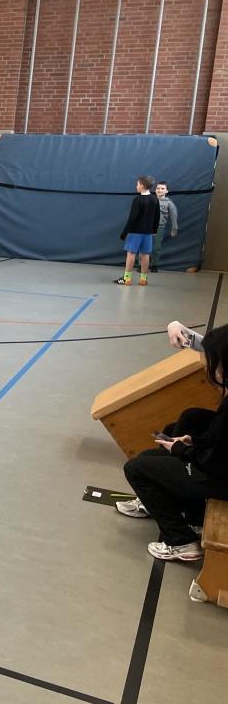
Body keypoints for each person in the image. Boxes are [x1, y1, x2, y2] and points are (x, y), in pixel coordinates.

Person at [115, 326, 228, 562]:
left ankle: (180, 541)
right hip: (219, 464)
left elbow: (214, 461)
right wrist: (191, 442)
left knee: (137, 468)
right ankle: (188, 511)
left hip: (221, 478)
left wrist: (183, 450)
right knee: (188, 419)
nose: (208, 367)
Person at [117, 175, 159, 286]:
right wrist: (154, 230)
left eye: (137, 184)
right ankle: (143, 279)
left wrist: (124, 232)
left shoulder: (137, 200)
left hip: (135, 232)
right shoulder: (154, 199)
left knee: (131, 254)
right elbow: (157, 216)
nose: (136, 186)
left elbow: (132, 218)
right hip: (148, 232)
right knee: (145, 254)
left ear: (142, 186)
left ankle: (127, 278)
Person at [153, 180, 178, 272]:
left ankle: (154, 265)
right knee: (144, 247)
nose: (159, 190)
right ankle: (141, 265)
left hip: (159, 227)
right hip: (146, 227)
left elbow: (174, 215)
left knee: (156, 247)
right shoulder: (150, 200)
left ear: (166, 191)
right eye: (158, 188)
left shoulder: (169, 203)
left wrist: (174, 228)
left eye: (162, 188)